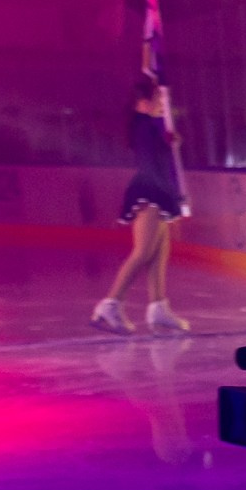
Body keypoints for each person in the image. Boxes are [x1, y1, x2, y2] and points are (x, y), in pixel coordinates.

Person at [91, 75, 191, 335]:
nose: (161, 105)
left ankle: (158, 307)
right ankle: (110, 305)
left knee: (159, 252)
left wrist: (168, 140)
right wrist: (167, 140)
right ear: (143, 102)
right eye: (157, 100)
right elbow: (151, 162)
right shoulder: (145, 127)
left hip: (157, 190)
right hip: (150, 190)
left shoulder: (146, 125)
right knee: (143, 252)